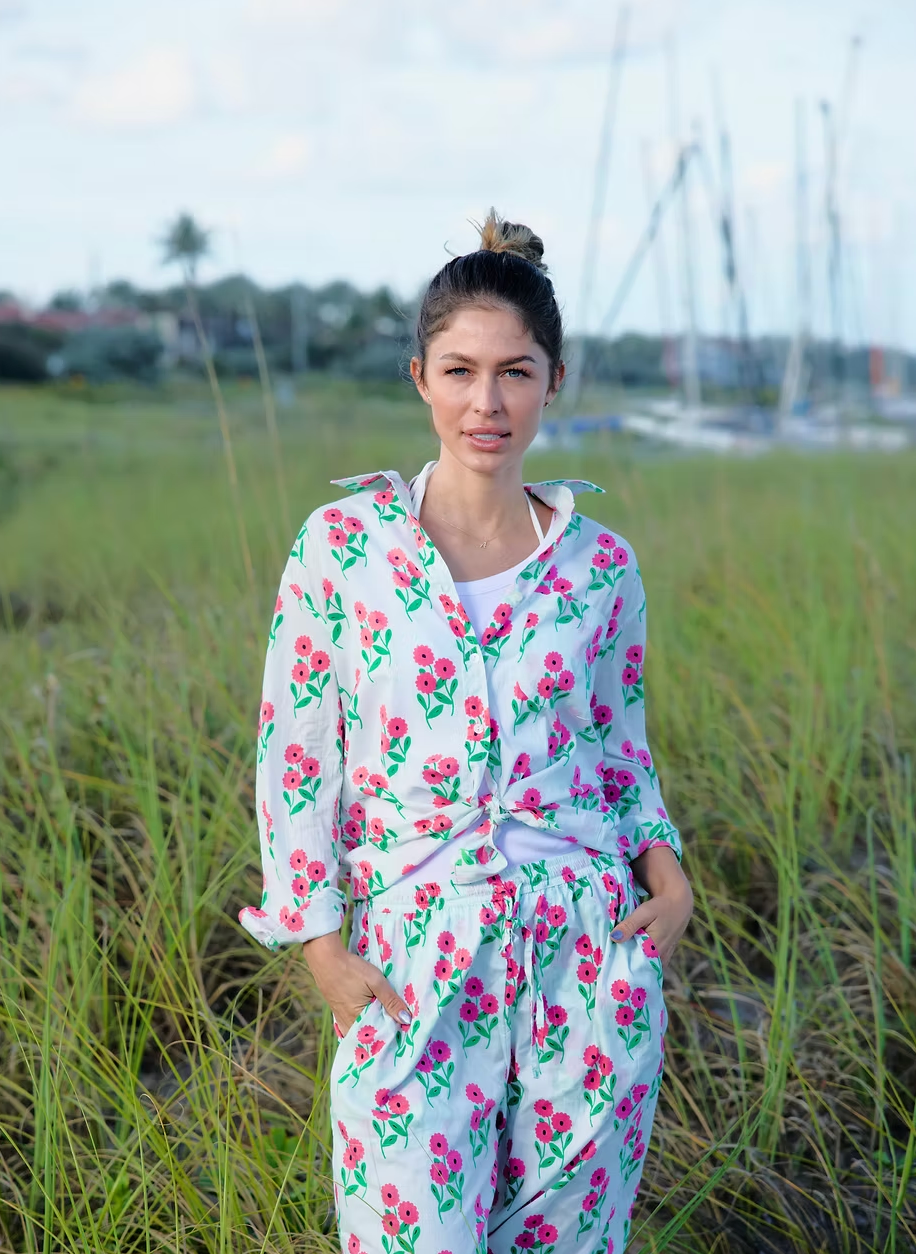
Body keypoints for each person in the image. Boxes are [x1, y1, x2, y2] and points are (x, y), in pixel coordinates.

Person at [240, 208, 694, 1254]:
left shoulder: (600, 564)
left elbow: (621, 740)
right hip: (412, 950)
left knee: (568, 1242)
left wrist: (667, 879)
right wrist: (321, 948)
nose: (486, 402)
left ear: (554, 381)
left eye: (515, 372)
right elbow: (298, 755)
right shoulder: (345, 548)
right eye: (459, 370)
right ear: (418, 379)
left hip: (589, 948)